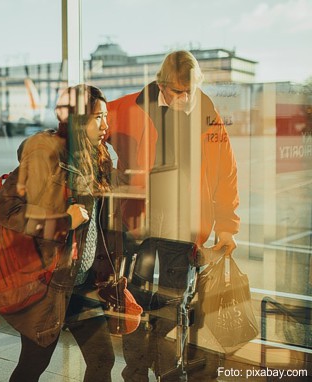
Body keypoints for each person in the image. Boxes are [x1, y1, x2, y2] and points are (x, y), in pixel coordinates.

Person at [106, 51, 240, 381]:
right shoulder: (131, 106)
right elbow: (88, 129)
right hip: (141, 225)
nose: (185, 98)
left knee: (172, 305)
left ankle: (165, 367)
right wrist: (107, 171)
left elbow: (226, 170)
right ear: (162, 85)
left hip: (184, 228)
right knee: (134, 302)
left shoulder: (206, 110)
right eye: (178, 91)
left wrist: (227, 226)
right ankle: (135, 371)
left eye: (190, 90)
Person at [0, 84, 116, 382]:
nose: (105, 125)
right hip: (48, 285)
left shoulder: (99, 158)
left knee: (103, 359)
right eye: (98, 117)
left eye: (106, 116)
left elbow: (101, 222)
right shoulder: (46, 157)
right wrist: (63, 221)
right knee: (32, 366)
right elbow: (7, 210)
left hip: (83, 283)